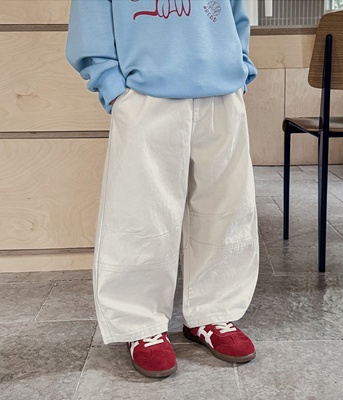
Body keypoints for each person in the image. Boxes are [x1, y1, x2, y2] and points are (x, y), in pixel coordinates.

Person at [66, 0, 259, 378]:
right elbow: (90, 16)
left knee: (226, 209)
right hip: (145, 94)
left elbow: (235, 9)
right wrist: (112, 85)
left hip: (222, 89)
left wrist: (240, 68)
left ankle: (214, 312)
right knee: (140, 213)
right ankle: (140, 325)